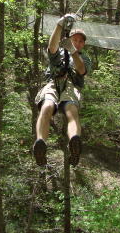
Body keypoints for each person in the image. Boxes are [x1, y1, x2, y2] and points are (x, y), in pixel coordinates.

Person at [33, 14, 92, 167]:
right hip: (53, 82)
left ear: (83, 44)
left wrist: (72, 50)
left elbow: (81, 70)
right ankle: (40, 142)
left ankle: (74, 141)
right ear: (70, 38)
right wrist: (60, 25)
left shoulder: (84, 58)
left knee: (71, 110)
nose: (78, 43)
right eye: (75, 40)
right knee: (46, 107)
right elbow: (52, 47)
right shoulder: (58, 53)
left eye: (80, 41)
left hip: (71, 85)